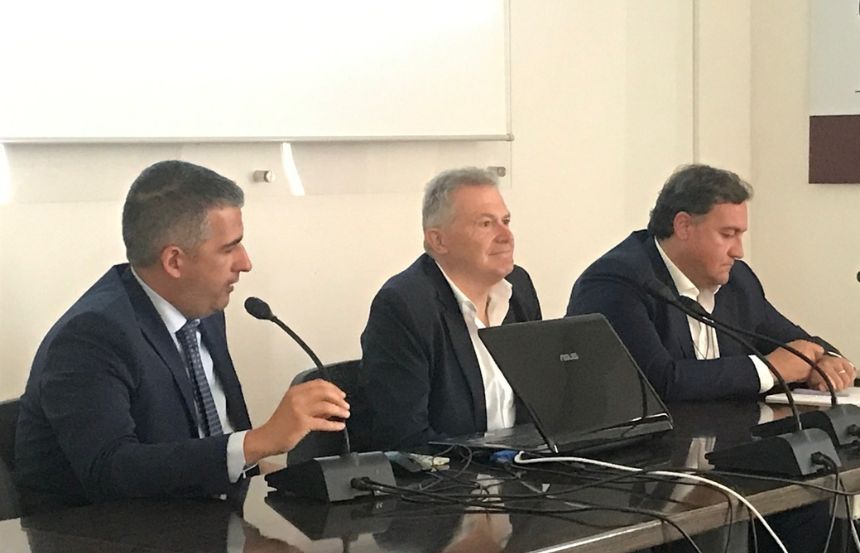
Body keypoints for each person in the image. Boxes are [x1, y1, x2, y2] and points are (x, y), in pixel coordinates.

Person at [15, 160, 349, 510]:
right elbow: (111, 471)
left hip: (208, 519)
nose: (245, 262)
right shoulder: (91, 336)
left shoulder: (203, 308)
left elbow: (213, 440)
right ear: (174, 261)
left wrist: (295, 477)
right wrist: (260, 441)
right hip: (102, 531)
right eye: (229, 248)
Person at [567, 164, 855, 402]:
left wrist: (825, 360)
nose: (738, 251)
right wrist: (769, 370)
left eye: (740, 235)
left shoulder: (737, 280)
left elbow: (792, 342)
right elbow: (657, 382)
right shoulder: (616, 282)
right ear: (684, 226)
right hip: (641, 450)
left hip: (722, 438)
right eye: (727, 235)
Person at [360, 167, 541, 450]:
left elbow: (540, 403)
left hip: (523, 468)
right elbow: (405, 438)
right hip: (450, 474)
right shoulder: (404, 305)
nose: (506, 235)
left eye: (505, 221)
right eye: (485, 224)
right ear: (438, 240)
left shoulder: (518, 287)